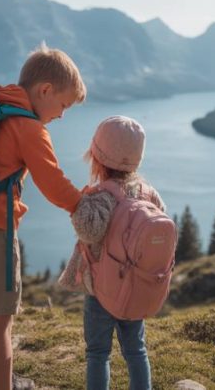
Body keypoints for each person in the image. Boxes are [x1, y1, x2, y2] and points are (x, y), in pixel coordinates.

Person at [0, 44, 87, 390]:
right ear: (45, 90)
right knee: (0, 324)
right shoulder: (29, 128)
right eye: (63, 105)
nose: (61, 115)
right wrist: (84, 204)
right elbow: (53, 183)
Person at [58, 115, 165, 390]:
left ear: (97, 157)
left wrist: (79, 203)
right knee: (136, 350)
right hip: (135, 288)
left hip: (102, 291)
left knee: (97, 353)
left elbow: (89, 230)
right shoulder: (148, 194)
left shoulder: (102, 195)